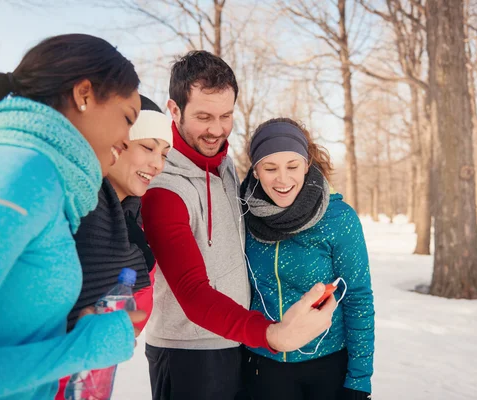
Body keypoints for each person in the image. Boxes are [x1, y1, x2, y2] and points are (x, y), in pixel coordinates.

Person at [0, 34, 146, 400]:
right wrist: (83, 347)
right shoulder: (20, 174)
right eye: (127, 118)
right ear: (84, 94)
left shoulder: (41, 180)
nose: (127, 139)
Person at [141, 50, 336, 400]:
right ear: (174, 110)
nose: (216, 129)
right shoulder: (164, 187)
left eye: (226, 115)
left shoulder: (225, 165)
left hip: (235, 341)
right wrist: (272, 334)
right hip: (188, 353)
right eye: (203, 116)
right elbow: (192, 292)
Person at [239, 118, 375, 400]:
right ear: (255, 170)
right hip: (262, 366)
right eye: (270, 167)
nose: (283, 179)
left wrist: (359, 381)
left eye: (292, 166)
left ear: (306, 164)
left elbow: (358, 298)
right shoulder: (243, 215)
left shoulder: (338, 218)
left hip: (327, 367)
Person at [55, 96, 172, 400]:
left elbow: (131, 320)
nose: (157, 164)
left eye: (164, 153)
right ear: (118, 143)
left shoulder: (138, 228)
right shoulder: (71, 207)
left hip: (92, 385)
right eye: (147, 147)